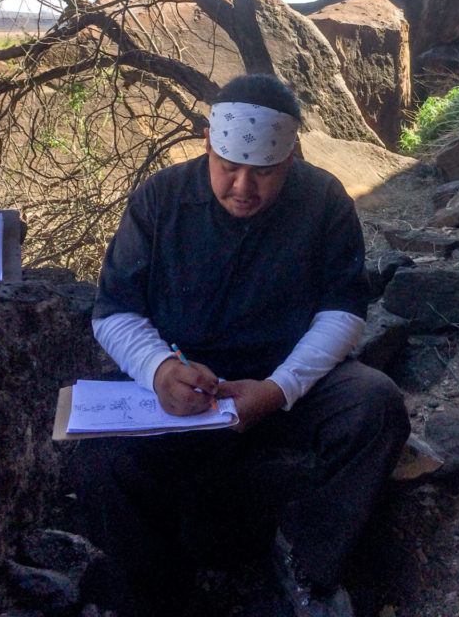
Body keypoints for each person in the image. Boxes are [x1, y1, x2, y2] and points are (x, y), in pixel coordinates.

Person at [73, 73, 411, 617]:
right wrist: (160, 370)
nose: (242, 188)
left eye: (265, 173)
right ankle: (161, 598)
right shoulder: (161, 198)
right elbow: (115, 311)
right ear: (208, 142)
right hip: (184, 385)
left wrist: (279, 389)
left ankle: (308, 562)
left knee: (375, 405)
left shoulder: (324, 199)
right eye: (229, 167)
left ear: (293, 156)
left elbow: (344, 311)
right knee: (101, 462)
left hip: (284, 377)